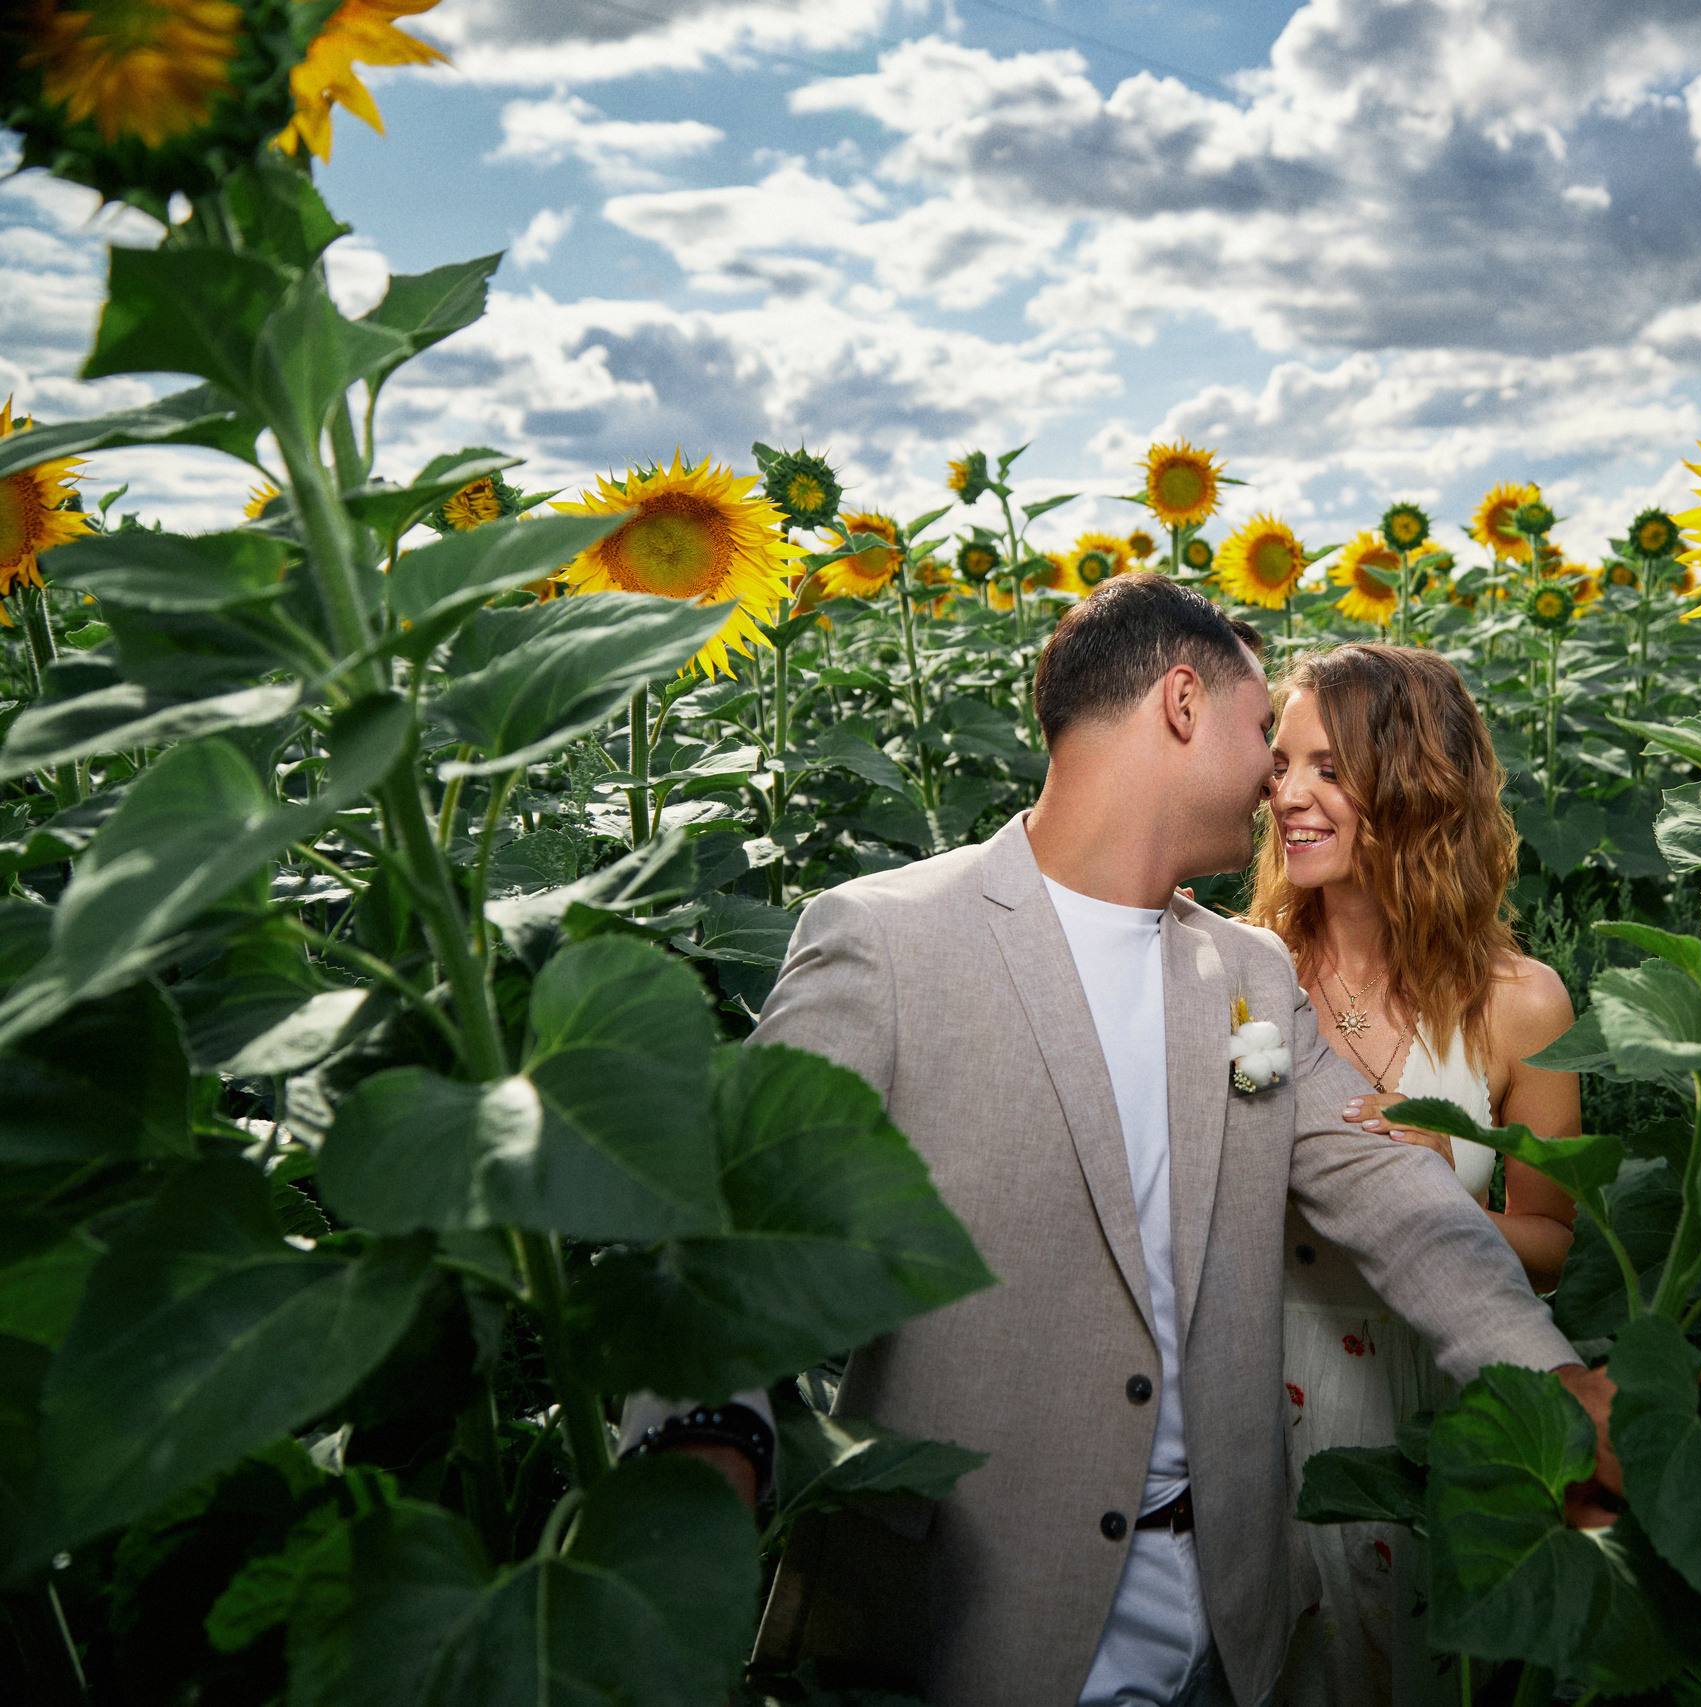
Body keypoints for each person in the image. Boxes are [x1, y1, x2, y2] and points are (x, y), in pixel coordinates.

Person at [643, 575, 1616, 1707]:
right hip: (968, 1618)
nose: (1272, 777)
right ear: (1183, 702)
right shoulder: (889, 941)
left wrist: (1553, 1379)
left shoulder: (1245, 974)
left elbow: (1393, 1196)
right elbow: (718, 1215)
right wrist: (704, 1448)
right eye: (1265, 733)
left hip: (1224, 1622)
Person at [1249, 645, 1580, 1707]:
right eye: (1281, 761)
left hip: (1430, 1401)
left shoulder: (1520, 1005)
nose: (1288, 794)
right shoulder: (1238, 969)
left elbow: (1554, 1247)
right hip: (1258, 1390)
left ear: (1418, 788)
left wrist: (1442, 1183)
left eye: (1330, 769)